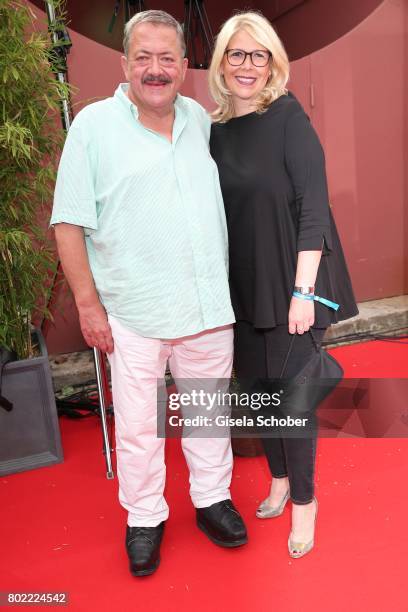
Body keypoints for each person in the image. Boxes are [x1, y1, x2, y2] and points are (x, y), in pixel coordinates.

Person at [51, 10, 247, 577]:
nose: (156, 69)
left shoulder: (203, 122)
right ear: (125, 64)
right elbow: (68, 225)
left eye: (167, 58)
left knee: (209, 414)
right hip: (133, 314)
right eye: (144, 57)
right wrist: (89, 307)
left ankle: (211, 500)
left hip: (207, 308)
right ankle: (144, 518)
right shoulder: (92, 127)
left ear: (184, 65)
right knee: (139, 426)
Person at [208, 11, 358, 558]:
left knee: (290, 403)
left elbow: (314, 212)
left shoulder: (290, 119)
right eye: (236, 54)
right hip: (241, 288)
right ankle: (277, 480)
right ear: (222, 63)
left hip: (293, 282)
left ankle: (304, 503)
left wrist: (303, 293)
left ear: (272, 63)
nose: (246, 65)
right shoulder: (215, 132)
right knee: (259, 397)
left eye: (258, 54)